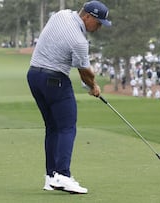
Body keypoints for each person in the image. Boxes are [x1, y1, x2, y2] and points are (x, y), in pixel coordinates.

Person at [26, 0, 111, 194]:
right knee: (67, 127)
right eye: (98, 23)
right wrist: (94, 86)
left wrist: (89, 82)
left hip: (33, 76)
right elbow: (85, 72)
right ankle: (63, 175)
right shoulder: (79, 41)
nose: (98, 28)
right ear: (87, 16)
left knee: (53, 128)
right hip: (54, 79)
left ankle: (51, 177)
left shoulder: (61, 15)